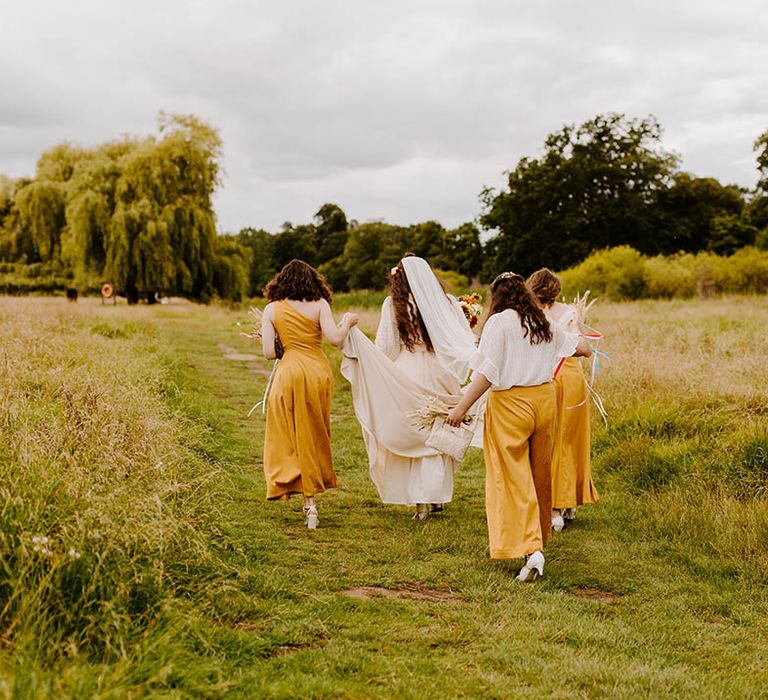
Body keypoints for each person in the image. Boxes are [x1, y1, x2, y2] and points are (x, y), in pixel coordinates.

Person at [446, 272, 591, 581]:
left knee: (512, 477)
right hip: (543, 400)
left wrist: (461, 407)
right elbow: (581, 348)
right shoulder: (541, 320)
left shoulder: (500, 322)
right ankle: (539, 536)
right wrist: (582, 336)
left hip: (511, 405)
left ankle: (530, 548)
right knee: (539, 473)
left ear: (496, 297)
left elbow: (486, 373)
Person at [341, 255, 479, 520]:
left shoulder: (394, 305)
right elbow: (458, 338)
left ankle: (421, 503)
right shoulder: (448, 302)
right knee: (437, 435)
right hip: (441, 371)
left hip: (409, 371)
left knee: (415, 435)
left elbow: (387, 346)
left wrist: (381, 369)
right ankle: (435, 496)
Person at [260, 259, 358, 529]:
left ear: (281, 281)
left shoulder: (271, 309)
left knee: (288, 434)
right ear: (313, 281)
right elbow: (336, 340)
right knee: (314, 432)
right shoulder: (320, 305)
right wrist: (347, 321)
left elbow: (269, 353)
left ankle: (301, 495)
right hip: (317, 372)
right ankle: (311, 498)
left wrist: (279, 340)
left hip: (289, 372)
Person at [527, 268, 599, 532]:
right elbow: (584, 349)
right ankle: (565, 504)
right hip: (570, 379)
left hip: (545, 378)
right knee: (569, 440)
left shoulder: (530, 315)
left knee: (549, 440)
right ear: (556, 290)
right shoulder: (569, 313)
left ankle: (555, 507)